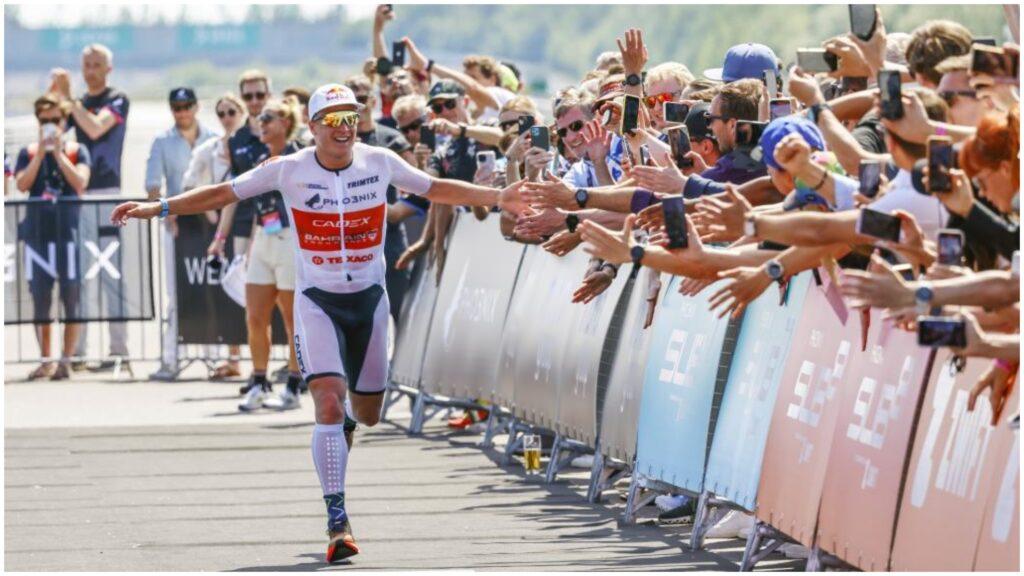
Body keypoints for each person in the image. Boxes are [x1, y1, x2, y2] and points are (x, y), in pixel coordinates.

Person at [110, 82, 525, 563]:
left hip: (369, 300)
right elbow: (223, 191)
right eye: (334, 121)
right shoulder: (289, 169)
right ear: (312, 128)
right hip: (317, 301)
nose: (345, 128)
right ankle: (337, 519)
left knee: (366, 413)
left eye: (351, 118)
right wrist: (158, 206)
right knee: (327, 401)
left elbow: (435, 189)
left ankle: (349, 420)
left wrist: (499, 198)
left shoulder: (380, 161)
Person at [49, 44, 130, 371]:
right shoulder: (74, 103)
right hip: (77, 193)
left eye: (97, 64)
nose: (91, 70)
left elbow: (97, 127)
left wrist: (70, 100)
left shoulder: (118, 99)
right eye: (86, 65)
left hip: (107, 191)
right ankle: (77, 351)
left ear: (108, 69)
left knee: (112, 273)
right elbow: (51, 125)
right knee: (78, 276)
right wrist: (55, 94)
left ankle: (118, 351)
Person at [228, 98, 305, 413]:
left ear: (285, 123)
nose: (262, 124)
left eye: (268, 118)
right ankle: (259, 382)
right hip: (264, 235)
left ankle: (294, 385)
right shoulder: (258, 156)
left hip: (291, 238)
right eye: (260, 119)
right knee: (255, 315)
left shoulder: (300, 155)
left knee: (291, 318)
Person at [14, 93, 91, 381]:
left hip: (68, 232)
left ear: (64, 122)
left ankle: (66, 359)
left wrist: (57, 153)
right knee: (41, 298)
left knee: (72, 296)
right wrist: (41, 155)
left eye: (55, 120)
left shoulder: (76, 150)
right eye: (43, 120)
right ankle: (45, 358)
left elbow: (81, 182)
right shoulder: (28, 152)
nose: (49, 125)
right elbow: (22, 184)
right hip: (37, 233)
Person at [145, 87, 217, 381]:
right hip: (177, 222)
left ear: (196, 107)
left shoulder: (212, 138)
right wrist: (164, 215)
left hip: (209, 223)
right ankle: (170, 359)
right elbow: (152, 184)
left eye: (187, 105)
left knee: (212, 289)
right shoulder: (162, 141)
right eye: (177, 106)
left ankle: (215, 358)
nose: (182, 111)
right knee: (175, 293)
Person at [188, 93, 249, 381]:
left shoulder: (250, 144)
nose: (227, 118)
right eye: (222, 113)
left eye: (231, 112)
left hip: (252, 222)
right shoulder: (211, 148)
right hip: (226, 224)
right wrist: (213, 218)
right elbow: (195, 183)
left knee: (258, 291)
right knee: (233, 290)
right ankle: (234, 356)